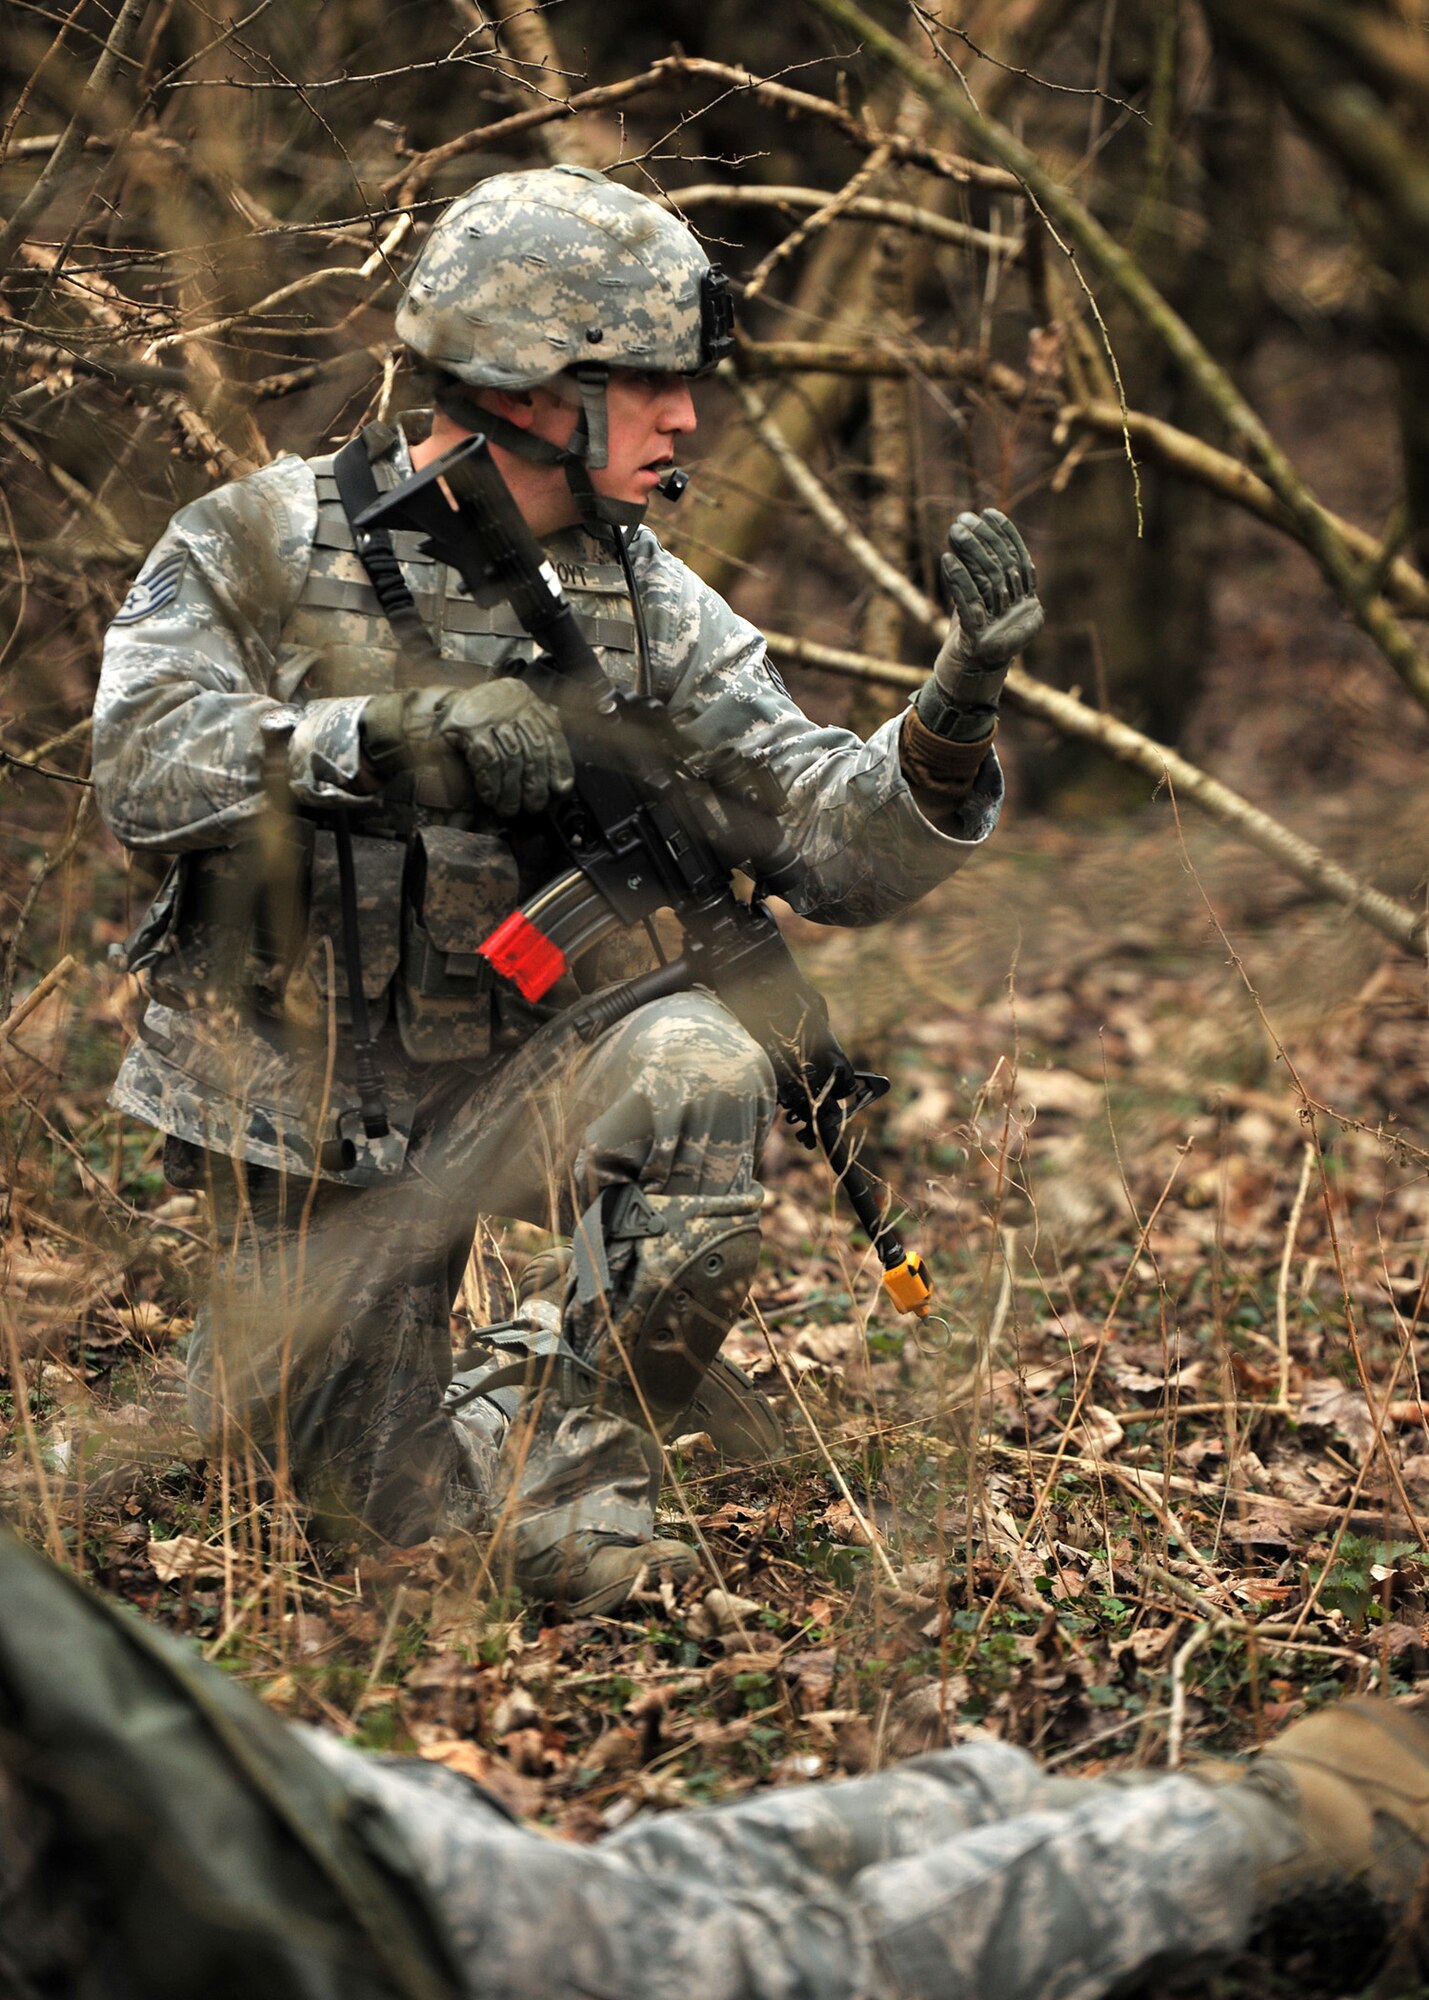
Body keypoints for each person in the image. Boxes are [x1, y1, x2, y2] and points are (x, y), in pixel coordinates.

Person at [92, 164, 1044, 1613]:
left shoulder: (648, 603)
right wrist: (375, 739)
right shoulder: (267, 541)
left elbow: (828, 841)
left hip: (508, 1085)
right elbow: (142, 770)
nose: (686, 418)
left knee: (700, 1063)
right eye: (652, 382)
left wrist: (952, 716)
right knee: (333, 1495)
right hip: (297, 1125)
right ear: (532, 388)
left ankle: (560, 1439)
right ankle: (503, 1426)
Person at [2, 1524, 1426, 2000]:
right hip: (175, 1802)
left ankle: (1293, 1826)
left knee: (735, 1964)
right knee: (648, 1916)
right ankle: (1091, 1816)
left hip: (195, 1864)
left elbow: (839, 857)